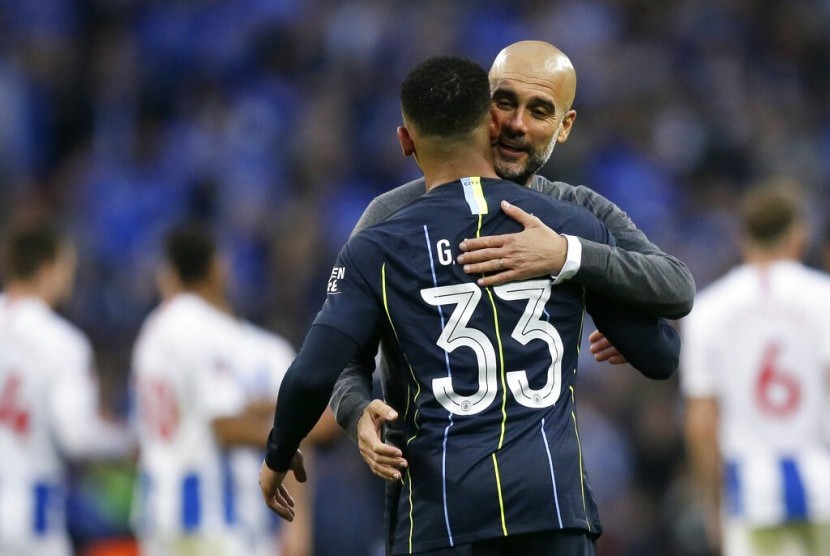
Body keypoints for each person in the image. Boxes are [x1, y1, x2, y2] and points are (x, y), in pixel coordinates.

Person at [260, 55, 679, 556]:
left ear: (405, 141)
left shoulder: (380, 242)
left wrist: (278, 453)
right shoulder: (569, 226)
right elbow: (660, 355)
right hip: (552, 508)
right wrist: (592, 283)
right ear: (492, 124)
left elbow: (313, 371)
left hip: (441, 511)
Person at [329, 39, 694, 480]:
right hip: (434, 492)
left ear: (564, 126)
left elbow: (676, 287)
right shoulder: (391, 218)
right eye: (505, 103)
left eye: (539, 111)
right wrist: (354, 410)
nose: (517, 125)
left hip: (542, 496)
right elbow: (340, 351)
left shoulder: (577, 212)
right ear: (482, 106)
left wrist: (566, 254)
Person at [130, 225, 311, 556]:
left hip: (155, 508)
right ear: (215, 269)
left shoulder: (151, 329)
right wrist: (284, 438)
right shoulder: (203, 328)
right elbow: (223, 424)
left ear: (168, 274)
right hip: (201, 516)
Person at [681, 181, 830, 556]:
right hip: (823, 486)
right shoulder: (823, 299)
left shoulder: (708, 310)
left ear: (742, 237)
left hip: (750, 495)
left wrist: (712, 510)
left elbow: (701, 423)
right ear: (799, 235)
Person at [0, 220, 133, 556]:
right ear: (46, 270)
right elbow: (78, 436)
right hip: (31, 517)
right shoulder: (63, 343)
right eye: (66, 268)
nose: (70, 279)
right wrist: (127, 441)